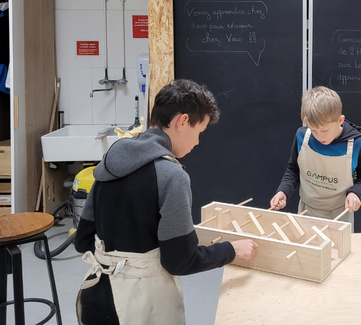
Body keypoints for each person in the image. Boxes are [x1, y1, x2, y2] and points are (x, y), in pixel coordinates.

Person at [74, 79, 258, 325]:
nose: (197, 142)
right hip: (140, 307)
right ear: (182, 122)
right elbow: (179, 260)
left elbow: (83, 240)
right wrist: (231, 250)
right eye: (199, 131)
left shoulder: (111, 161)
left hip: (95, 298)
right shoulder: (171, 175)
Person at [269, 86, 361, 231]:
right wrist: (283, 191)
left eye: (324, 130)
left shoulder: (356, 143)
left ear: (340, 120)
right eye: (313, 130)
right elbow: (294, 169)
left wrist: (356, 193)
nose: (319, 136)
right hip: (307, 211)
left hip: (340, 215)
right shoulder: (302, 137)